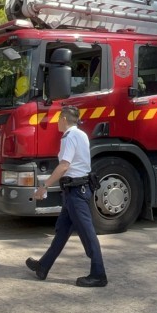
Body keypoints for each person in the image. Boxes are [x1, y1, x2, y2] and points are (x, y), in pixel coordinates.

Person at [26, 105, 107, 288]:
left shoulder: (69, 137)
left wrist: (44, 186)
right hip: (75, 190)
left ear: (63, 119)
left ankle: (99, 274)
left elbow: (64, 165)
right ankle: (43, 266)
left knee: (88, 234)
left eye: (58, 119)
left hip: (77, 191)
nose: (56, 122)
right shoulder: (81, 134)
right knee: (62, 231)